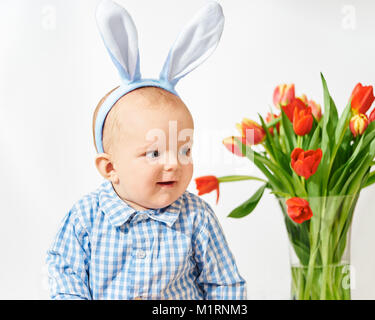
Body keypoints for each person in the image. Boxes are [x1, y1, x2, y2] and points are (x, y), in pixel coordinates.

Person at [45, 0, 246, 300]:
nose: (174, 164)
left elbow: (225, 285)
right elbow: (65, 274)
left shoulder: (196, 218)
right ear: (110, 168)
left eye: (184, 150)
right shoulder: (86, 218)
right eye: (154, 154)